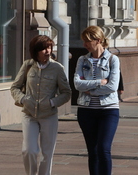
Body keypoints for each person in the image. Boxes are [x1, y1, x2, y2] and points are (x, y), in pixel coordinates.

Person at [11, 35, 72, 175]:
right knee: (29, 150)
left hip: (48, 116)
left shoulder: (57, 68)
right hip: (29, 115)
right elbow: (14, 87)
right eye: (44, 48)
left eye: (49, 47)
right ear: (35, 51)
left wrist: (52, 102)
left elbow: (66, 93)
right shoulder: (27, 66)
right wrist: (23, 99)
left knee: (47, 153)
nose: (48, 51)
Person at [74, 26, 121, 175]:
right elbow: (77, 84)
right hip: (86, 111)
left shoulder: (113, 59)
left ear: (98, 40)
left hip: (108, 110)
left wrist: (88, 89)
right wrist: (99, 82)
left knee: (103, 148)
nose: (84, 45)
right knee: (92, 150)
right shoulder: (82, 60)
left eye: (87, 41)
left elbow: (112, 86)